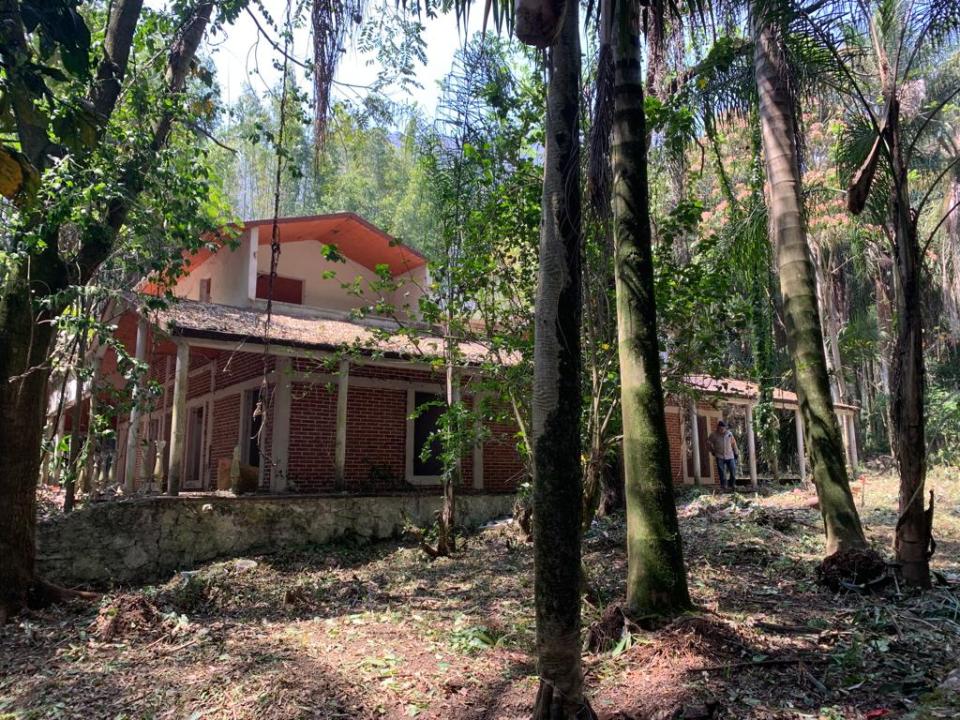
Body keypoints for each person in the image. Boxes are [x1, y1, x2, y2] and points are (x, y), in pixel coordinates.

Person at [707, 420, 738, 491]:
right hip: (719, 456)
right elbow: (708, 443)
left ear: (725, 428)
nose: (722, 430)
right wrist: (712, 451)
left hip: (730, 455)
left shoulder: (729, 434)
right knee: (721, 472)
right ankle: (724, 485)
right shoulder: (713, 435)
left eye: (723, 428)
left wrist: (736, 452)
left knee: (732, 470)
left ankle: (733, 484)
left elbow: (734, 444)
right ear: (718, 428)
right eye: (720, 428)